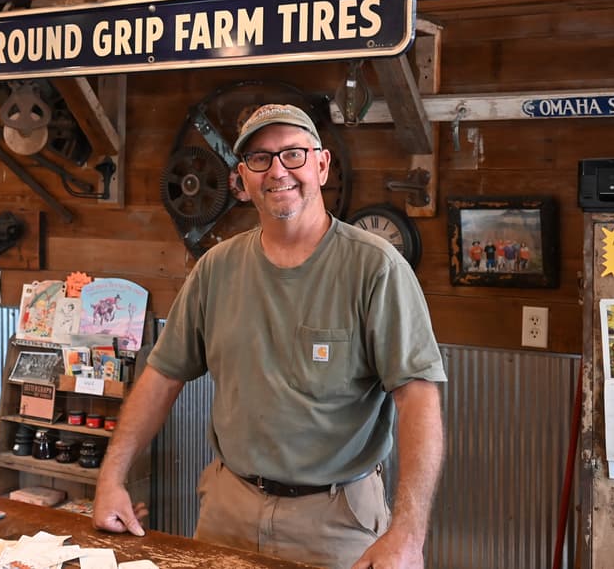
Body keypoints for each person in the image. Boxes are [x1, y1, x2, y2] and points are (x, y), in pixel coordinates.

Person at [92, 103, 447, 569]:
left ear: (322, 165)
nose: (278, 171)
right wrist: (110, 477)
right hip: (228, 510)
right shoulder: (216, 269)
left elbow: (418, 399)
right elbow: (162, 376)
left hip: (336, 522)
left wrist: (408, 534)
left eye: (293, 154)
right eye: (260, 158)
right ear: (242, 178)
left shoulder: (375, 268)